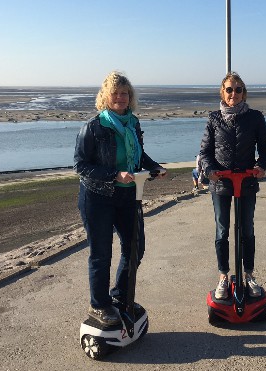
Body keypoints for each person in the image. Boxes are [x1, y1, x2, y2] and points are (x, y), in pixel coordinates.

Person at [74, 71, 167, 326]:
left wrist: (154, 167)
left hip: (128, 197)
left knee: (135, 247)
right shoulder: (93, 127)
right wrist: (114, 174)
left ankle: (121, 296)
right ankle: (99, 305)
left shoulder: (133, 124)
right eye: (115, 93)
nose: (121, 97)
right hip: (97, 198)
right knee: (101, 253)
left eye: (125, 93)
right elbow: (81, 166)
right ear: (106, 96)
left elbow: (138, 156)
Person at [199, 71, 266, 300]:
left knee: (246, 229)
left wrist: (260, 166)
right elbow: (205, 152)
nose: (234, 94)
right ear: (223, 92)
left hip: (246, 181)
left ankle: (248, 274)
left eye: (238, 89)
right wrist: (211, 171)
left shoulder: (255, 117)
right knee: (222, 230)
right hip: (221, 183)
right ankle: (223, 275)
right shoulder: (213, 118)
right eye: (229, 89)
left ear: (244, 92)